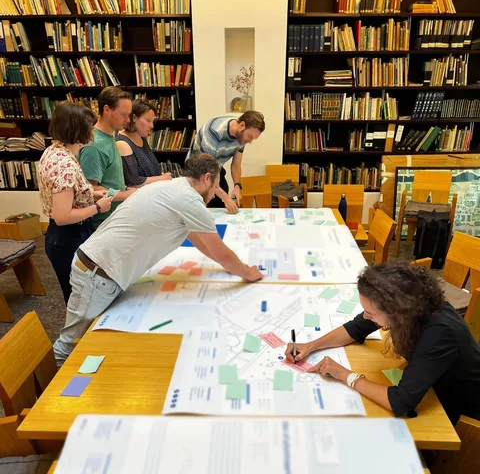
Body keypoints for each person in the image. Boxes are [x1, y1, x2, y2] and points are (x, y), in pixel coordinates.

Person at [53, 154, 263, 365]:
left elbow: (201, 241)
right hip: (98, 273)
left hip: (99, 266)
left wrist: (229, 266)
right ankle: (47, 391)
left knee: (93, 339)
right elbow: (222, 252)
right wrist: (247, 273)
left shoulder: (173, 188)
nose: (214, 195)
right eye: (216, 187)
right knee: (70, 343)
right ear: (207, 179)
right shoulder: (189, 200)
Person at [285, 262, 480, 425]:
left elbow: (400, 401)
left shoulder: (439, 333)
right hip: (430, 385)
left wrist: (344, 374)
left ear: (397, 311)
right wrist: (310, 345)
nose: (365, 316)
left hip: (462, 414)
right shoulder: (410, 305)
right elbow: (356, 328)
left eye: (371, 312)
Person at [38, 101, 113, 304]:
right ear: (78, 129)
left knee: (79, 294)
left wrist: (91, 193)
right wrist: (98, 207)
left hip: (61, 235)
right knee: (80, 297)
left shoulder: (54, 151)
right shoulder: (65, 165)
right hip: (69, 236)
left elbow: (64, 192)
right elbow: (63, 217)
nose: (93, 132)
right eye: (89, 127)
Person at [186, 110, 265, 213]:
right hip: (196, 173)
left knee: (220, 207)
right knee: (200, 211)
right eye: (250, 137)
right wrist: (226, 198)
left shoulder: (241, 136)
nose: (250, 141)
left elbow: (236, 165)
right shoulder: (214, 132)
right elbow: (207, 172)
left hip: (216, 167)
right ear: (242, 125)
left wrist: (237, 186)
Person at [79, 86, 136, 229]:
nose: (128, 120)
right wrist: (126, 194)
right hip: (101, 224)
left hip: (113, 219)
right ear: (106, 110)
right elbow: (90, 189)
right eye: (123, 114)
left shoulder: (110, 137)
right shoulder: (95, 146)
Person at [116, 99, 173, 187]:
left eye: (152, 121)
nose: (152, 126)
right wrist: (162, 178)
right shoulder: (123, 143)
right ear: (134, 118)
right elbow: (133, 182)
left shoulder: (141, 138)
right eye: (148, 120)